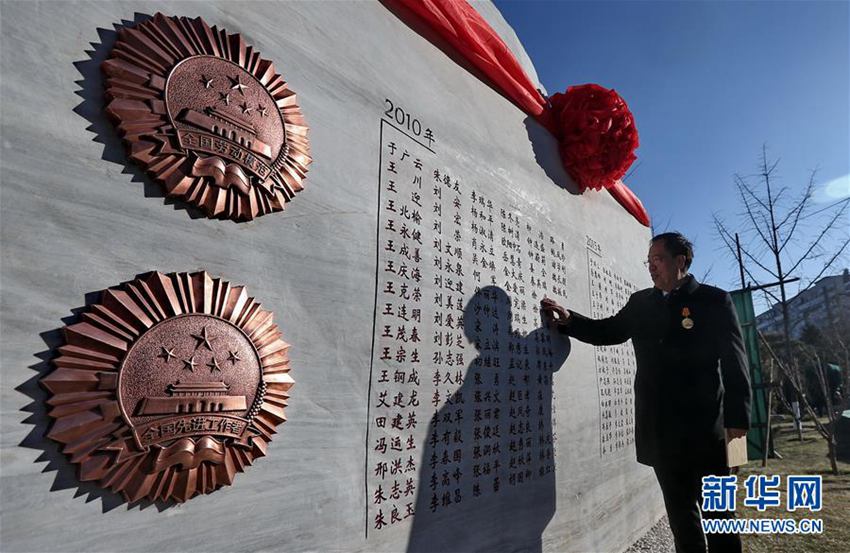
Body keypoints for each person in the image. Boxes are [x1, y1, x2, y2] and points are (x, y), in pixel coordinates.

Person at [540, 232, 751, 553]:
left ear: (680, 261)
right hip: (661, 435)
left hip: (708, 436)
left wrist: (737, 442)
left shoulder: (714, 301)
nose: (651, 267)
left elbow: (736, 367)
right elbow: (609, 331)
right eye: (648, 261)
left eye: (658, 259)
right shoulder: (641, 302)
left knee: (720, 520)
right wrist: (571, 322)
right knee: (682, 522)